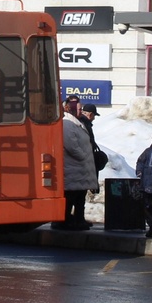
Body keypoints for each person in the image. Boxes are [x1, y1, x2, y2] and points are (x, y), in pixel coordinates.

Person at [55, 96, 96, 231]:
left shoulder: (76, 122)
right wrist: (83, 156)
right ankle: (65, 221)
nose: (81, 111)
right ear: (71, 109)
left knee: (79, 197)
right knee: (71, 197)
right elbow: (71, 145)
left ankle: (78, 220)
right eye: (79, 108)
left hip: (78, 169)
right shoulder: (67, 123)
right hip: (73, 168)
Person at [80, 104, 108, 175]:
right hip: (87, 162)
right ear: (90, 114)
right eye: (94, 116)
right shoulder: (85, 124)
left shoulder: (80, 123)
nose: (94, 118)